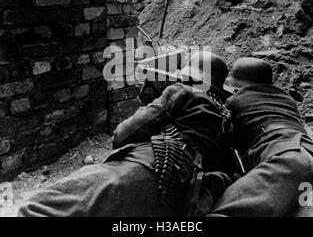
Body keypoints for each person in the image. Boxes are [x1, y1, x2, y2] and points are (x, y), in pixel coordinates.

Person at [18, 51, 234, 217]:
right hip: (181, 193)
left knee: (37, 207)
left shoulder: (182, 92)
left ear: (190, 75)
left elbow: (122, 135)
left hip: (146, 170)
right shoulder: (226, 119)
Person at [208, 57, 313, 217]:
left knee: (224, 213)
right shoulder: (288, 100)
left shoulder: (234, 102)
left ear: (236, 82)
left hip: (287, 160)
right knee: (310, 210)